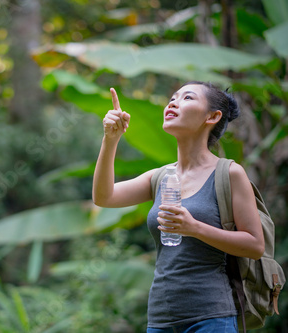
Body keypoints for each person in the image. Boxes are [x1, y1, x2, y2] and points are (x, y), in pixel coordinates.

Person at [92, 81, 265, 333]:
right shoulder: (160, 177)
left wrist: (193, 227)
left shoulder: (229, 174)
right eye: (172, 97)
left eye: (187, 98)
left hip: (211, 317)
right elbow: (104, 197)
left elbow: (255, 246)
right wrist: (110, 140)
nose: (173, 102)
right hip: (161, 319)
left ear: (213, 116)